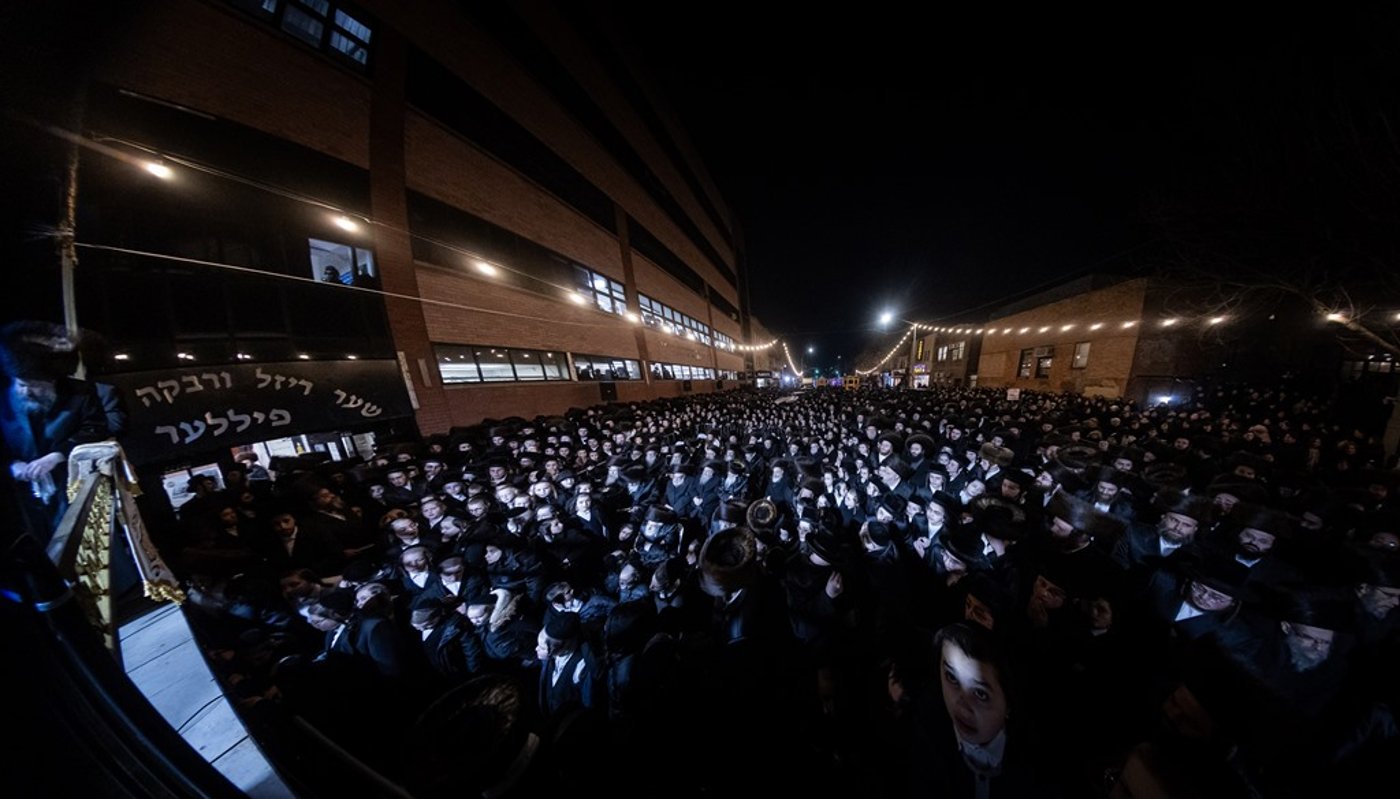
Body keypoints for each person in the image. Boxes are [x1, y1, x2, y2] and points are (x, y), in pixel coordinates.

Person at [903, 621, 1062, 796]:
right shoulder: (926, 731)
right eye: (951, 677)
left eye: (980, 694)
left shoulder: (1040, 764)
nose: (962, 708)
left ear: (1009, 702)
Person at [0, 321, 109, 542]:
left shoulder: (80, 393)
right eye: (20, 385)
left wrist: (58, 455)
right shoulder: (3, 399)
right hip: (20, 501)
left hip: (72, 489)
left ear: (52, 381)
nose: (26, 392)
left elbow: (95, 429)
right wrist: (11, 465)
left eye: (34, 385)